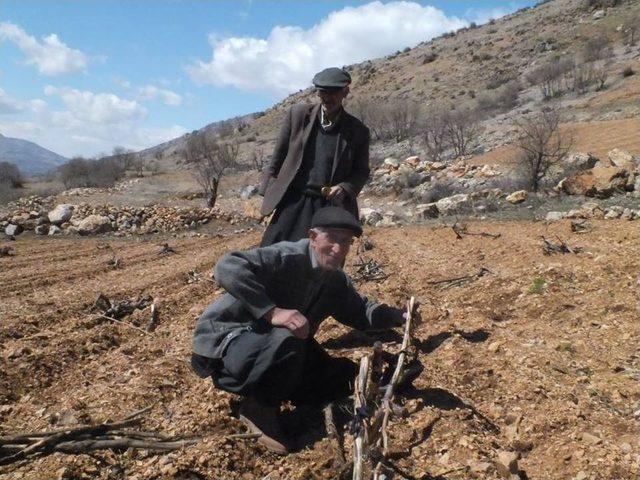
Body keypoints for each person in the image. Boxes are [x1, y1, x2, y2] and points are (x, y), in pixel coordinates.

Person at [191, 207, 404, 454]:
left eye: (345, 242)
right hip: (228, 342)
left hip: (278, 347)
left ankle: (297, 390)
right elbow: (227, 266)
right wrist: (272, 312)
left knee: (341, 377)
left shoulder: (334, 279)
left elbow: (360, 311)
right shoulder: (286, 257)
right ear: (313, 237)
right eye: (332, 239)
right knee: (288, 339)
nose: (338, 249)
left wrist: (398, 316)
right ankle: (259, 408)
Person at [258, 67, 370, 246]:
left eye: (333, 92)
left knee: (324, 263)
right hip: (293, 200)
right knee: (273, 256)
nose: (327, 97)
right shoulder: (298, 115)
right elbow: (277, 158)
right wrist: (266, 196)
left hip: (329, 206)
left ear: (345, 92)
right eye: (323, 92)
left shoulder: (358, 131)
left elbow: (362, 171)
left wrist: (344, 187)